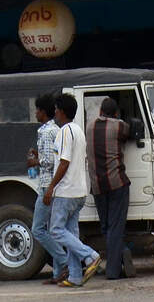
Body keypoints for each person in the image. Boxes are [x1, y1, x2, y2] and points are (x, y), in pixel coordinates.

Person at [45, 93, 101, 287]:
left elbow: (64, 162)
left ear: (61, 111)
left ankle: (90, 255)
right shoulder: (78, 130)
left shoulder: (65, 131)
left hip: (66, 192)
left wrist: (51, 187)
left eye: (56, 109)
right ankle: (75, 276)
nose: (54, 113)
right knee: (71, 235)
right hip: (79, 191)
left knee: (55, 230)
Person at [87, 96, 132, 280]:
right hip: (116, 183)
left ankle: (121, 256)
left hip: (97, 186)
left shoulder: (89, 127)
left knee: (106, 227)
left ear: (100, 112)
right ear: (115, 113)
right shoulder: (119, 126)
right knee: (116, 227)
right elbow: (129, 131)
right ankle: (113, 271)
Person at [27, 92, 68, 285]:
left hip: (46, 186)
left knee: (37, 229)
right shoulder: (56, 129)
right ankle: (58, 273)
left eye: (37, 110)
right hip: (54, 185)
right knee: (53, 230)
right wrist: (39, 155)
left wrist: (35, 161)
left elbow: (50, 161)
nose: (35, 113)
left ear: (43, 112)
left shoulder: (45, 131)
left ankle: (64, 261)